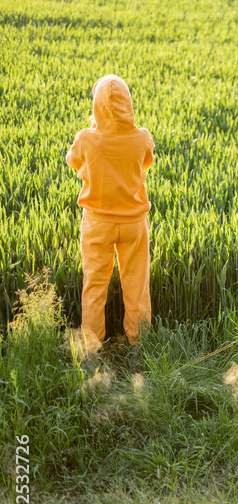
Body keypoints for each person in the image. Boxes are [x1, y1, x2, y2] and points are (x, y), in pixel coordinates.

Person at [66, 74, 155, 356]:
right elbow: (147, 160)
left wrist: (96, 131)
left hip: (97, 224)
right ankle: (138, 349)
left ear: (98, 106)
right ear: (127, 104)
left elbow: (73, 160)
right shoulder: (141, 138)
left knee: (94, 286)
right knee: (137, 287)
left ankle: (91, 353)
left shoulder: (86, 139)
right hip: (134, 224)